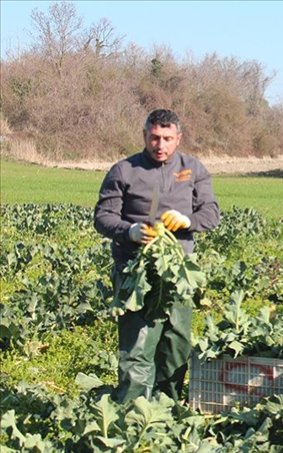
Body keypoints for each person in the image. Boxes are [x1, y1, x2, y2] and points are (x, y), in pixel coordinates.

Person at [94, 109, 220, 403]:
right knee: (137, 344)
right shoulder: (124, 170)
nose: (159, 145)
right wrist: (130, 231)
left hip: (178, 273)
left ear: (178, 138)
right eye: (154, 137)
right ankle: (131, 409)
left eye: (167, 138)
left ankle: (168, 408)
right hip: (135, 272)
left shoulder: (194, 169)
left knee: (175, 344)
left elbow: (211, 214)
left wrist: (187, 220)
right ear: (144, 136)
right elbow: (103, 217)